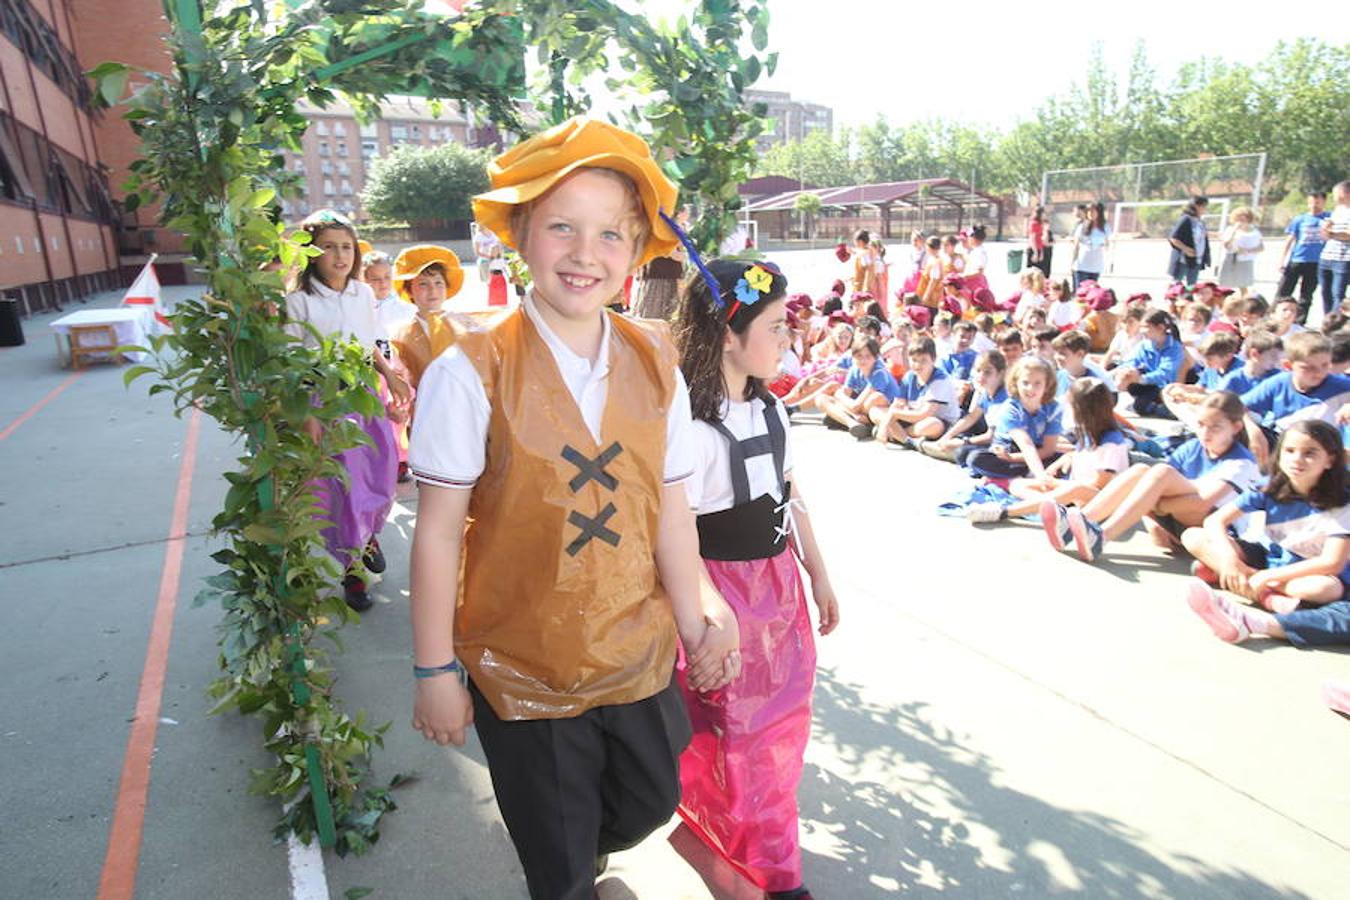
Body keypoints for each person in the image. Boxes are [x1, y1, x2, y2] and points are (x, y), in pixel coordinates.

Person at [405, 118, 741, 900]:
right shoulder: (470, 370)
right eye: (562, 227)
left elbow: (670, 505)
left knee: (650, 802)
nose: (586, 254)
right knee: (556, 871)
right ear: (521, 233)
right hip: (524, 666)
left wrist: (697, 617)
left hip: (635, 649)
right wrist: (433, 670)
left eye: (611, 235)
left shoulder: (655, 357)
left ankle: (587, 857)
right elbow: (438, 532)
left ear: (636, 250)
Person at [671, 257, 839, 900]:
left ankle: (758, 858)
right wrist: (709, 615)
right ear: (726, 336)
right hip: (721, 595)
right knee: (731, 738)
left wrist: (817, 572)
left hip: (779, 593)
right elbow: (675, 532)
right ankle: (755, 866)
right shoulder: (686, 427)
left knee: (781, 734)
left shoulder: (773, 410)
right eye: (774, 326)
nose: (786, 340)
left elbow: (790, 496)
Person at [284, 210, 408, 612]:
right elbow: (293, 362)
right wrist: (308, 415)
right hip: (324, 404)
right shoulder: (298, 301)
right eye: (329, 247)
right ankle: (353, 574)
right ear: (310, 252)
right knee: (342, 489)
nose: (340, 255)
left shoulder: (362, 294)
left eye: (347, 247)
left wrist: (390, 376)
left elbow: (370, 340)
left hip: (363, 398)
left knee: (380, 473)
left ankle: (369, 537)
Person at [1184, 420, 1349, 642]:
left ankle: (1243, 585)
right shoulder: (1269, 487)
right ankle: (1265, 594)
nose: (1297, 459)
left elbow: (1331, 563)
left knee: (1324, 589)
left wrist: (1266, 577)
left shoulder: (1342, 502)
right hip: (1273, 559)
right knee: (1193, 536)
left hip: (1311, 573)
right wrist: (1231, 561)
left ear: (1330, 460)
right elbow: (1215, 522)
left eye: (1310, 453)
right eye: (1290, 451)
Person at [1046, 392, 1260, 562]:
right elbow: (1158, 485)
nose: (1206, 433)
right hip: (1178, 518)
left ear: (1236, 427)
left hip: (1214, 531)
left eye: (1216, 427)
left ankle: (1101, 537)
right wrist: (1152, 509)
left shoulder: (1241, 463)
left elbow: (1202, 504)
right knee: (1140, 471)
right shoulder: (1194, 447)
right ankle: (1080, 522)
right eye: (1201, 425)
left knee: (1161, 473)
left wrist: (1156, 505)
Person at [968, 377, 1127, 523]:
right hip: (1073, 491)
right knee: (1018, 485)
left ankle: (1005, 512)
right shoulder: (1088, 433)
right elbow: (1080, 456)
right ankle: (1057, 510)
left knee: (1075, 489)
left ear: (1085, 411)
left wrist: (1055, 484)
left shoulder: (1110, 442)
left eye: (1072, 405)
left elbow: (1099, 485)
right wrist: (1066, 459)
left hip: (1100, 500)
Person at [1240, 330, 1350, 469]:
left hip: (1320, 456)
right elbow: (1236, 406)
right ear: (1288, 366)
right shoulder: (1279, 383)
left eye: (1325, 365)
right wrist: (1252, 430)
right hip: (1285, 448)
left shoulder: (1341, 386)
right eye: (1309, 368)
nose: (1319, 372)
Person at [957, 355, 1061, 480]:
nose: (1030, 389)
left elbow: (1048, 449)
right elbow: (1025, 444)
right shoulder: (1011, 408)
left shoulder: (1053, 408)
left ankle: (1013, 476)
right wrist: (1040, 474)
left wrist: (1015, 460)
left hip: (1035, 454)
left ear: (1047, 385)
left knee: (1063, 460)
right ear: (1016, 383)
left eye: (1037, 383)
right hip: (1009, 450)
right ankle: (1025, 475)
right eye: (1025, 383)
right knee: (974, 458)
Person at [387, 245, 472, 390]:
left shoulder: (465, 325)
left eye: (438, 283)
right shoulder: (401, 336)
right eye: (423, 284)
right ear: (410, 291)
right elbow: (401, 376)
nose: (432, 290)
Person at [871, 336, 962, 446]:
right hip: (912, 416)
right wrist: (890, 417)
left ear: (933, 359)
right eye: (914, 360)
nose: (918, 365)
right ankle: (905, 439)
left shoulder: (940, 380)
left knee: (932, 425)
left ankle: (896, 434)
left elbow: (924, 414)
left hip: (937, 420)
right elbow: (898, 403)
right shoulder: (910, 376)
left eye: (923, 360)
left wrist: (889, 420)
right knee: (875, 411)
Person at [818, 337, 902, 438]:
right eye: (859, 356)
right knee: (821, 398)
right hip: (860, 411)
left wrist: (838, 395)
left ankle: (842, 417)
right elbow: (847, 393)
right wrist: (853, 411)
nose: (863, 360)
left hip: (884, 410)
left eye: (868, 356)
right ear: (853, 357)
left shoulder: (879, 372)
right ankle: (852, 423)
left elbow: (855, 406)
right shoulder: (855, 369)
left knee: (875, 398)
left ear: (876, 357)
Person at [1113, 309, 1186, 416]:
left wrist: (1141, 379)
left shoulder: (1174, 348)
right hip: (1148, 383)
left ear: (1161, 328)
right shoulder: (1145, 345)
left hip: (1164, 386)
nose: (1142, 330)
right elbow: (1131, 361)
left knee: (1141, 407)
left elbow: (1165, 372)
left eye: (1146, 327)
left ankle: (1166, 410)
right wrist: (1128, 370)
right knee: (1126, 377)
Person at [1279, 190, 1330, 324]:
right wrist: (1282, 260)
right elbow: (1290, 239)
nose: (1314, 205)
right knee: (1284, 291)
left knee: (1306, 295)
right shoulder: (1300, 219)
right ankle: (1276, 318)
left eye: (1317, 202)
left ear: (1324, 202)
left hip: (1316, 262)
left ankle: (1299, 322)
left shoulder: (1328, 218)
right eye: (1311, 202)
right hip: (1297, 259)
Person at [633, 204, 690, 320]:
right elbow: (671, 252)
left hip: (669, 274)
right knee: (654, 312)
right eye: (686, 212)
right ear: (679, 213)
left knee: (666, 311)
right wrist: (682, 254)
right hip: (660, 274)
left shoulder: (676, 226)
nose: (688, 215)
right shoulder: (664, 227)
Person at [1318, 180, 1350, 317]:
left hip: (1344, 258)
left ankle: (1335, 324)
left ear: (1345, 193)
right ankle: (1328, 321)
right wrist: (1325, 229)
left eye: (1336, 192)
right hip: (1327, 256)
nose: (1334, 196)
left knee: (1338, 293)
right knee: (1326, 292)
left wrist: (1332, 234)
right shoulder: (1338, 210)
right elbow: (1326, 236)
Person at [1167, 195, 1211, 287]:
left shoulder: (1200, 222)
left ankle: (1188, 299)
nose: (1205, 209)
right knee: (1176, 284)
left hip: (1196, 259)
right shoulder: (1186, 219)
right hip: (1184, 259)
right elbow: (1173, 238)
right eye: (1203, 206)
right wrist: (1186, 249)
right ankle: (1173, 299)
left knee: (1191, 286)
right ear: (1196, 206)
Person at [1217, 206, 1263, 291]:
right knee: (1225, 284)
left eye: (1245, 217)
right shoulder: (1230, 229)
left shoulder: (1255, 232)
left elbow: (1261, 247)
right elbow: (1226, 244)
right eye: (1239, 217)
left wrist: (1248, 251)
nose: (1242, 220)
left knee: (1243, 285)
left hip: (1246, 260)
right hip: (1231, 258)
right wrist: (1234, 230)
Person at [1071, 202, 1111, 289]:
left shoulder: (1105, 227)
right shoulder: (1081, 227)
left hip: (1096, 265)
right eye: (1088, 211)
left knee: (1092, 292)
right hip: (1082, 264)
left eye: (1093, 211)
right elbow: (1076, 246)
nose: (1090, 214)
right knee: (1081, 292)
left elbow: (1108, 245)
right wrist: (1073, 262)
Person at [851, 229, 877, 296]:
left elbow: (869, 272)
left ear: (860, 241)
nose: (854, 243)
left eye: (855, 241)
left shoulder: (866, 254)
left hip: (862, 288)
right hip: (861, 286)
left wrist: (866, 290)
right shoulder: (866, 251)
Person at [1026, 205, 1051, 276]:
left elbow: (1042, 241)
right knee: (1032, 273)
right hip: (1034, 249)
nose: (1045, 215)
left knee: (1040, 273)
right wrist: (1036, 252)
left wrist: (1041, 252)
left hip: (1039, 249)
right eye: (1044, 213)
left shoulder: (1041, 224)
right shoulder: (1034, 223)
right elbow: (1032, 239)